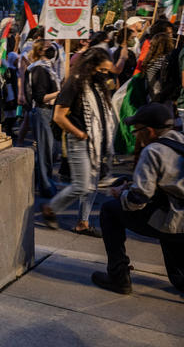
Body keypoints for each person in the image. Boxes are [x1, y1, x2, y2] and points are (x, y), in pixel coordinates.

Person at [92, 102, 184, 294]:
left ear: (149, 131)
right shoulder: (180, 140)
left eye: (136, 131)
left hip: (174, 222)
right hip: (180, 217)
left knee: (110, 210)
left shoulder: (152, 151)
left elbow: (138, 200)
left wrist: (121, 194)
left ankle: (118, 276)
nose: (136, 135)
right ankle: (180, 276)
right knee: (162, 214)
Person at [42, 48, 116, 237]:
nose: (105, 74)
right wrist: (80, 134)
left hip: (95, 142)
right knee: (83, 185)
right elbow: (59, 116)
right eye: (103, 69)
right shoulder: (74, 84)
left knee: (92, 184)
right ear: (91, 66)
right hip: (79, 141)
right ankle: (50, 208)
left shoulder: (96, 85)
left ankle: (83, 223)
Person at [27, 40, 59, 198]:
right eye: (47, 47)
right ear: (40, 51)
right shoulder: (39, 69)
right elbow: (40, 97)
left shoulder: (48, 68)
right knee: (46, 151)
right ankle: (46, 187)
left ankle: (38, 182)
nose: (52, 49)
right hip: (42, 112)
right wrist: (60, 93)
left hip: (48, 112)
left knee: (49, 151)